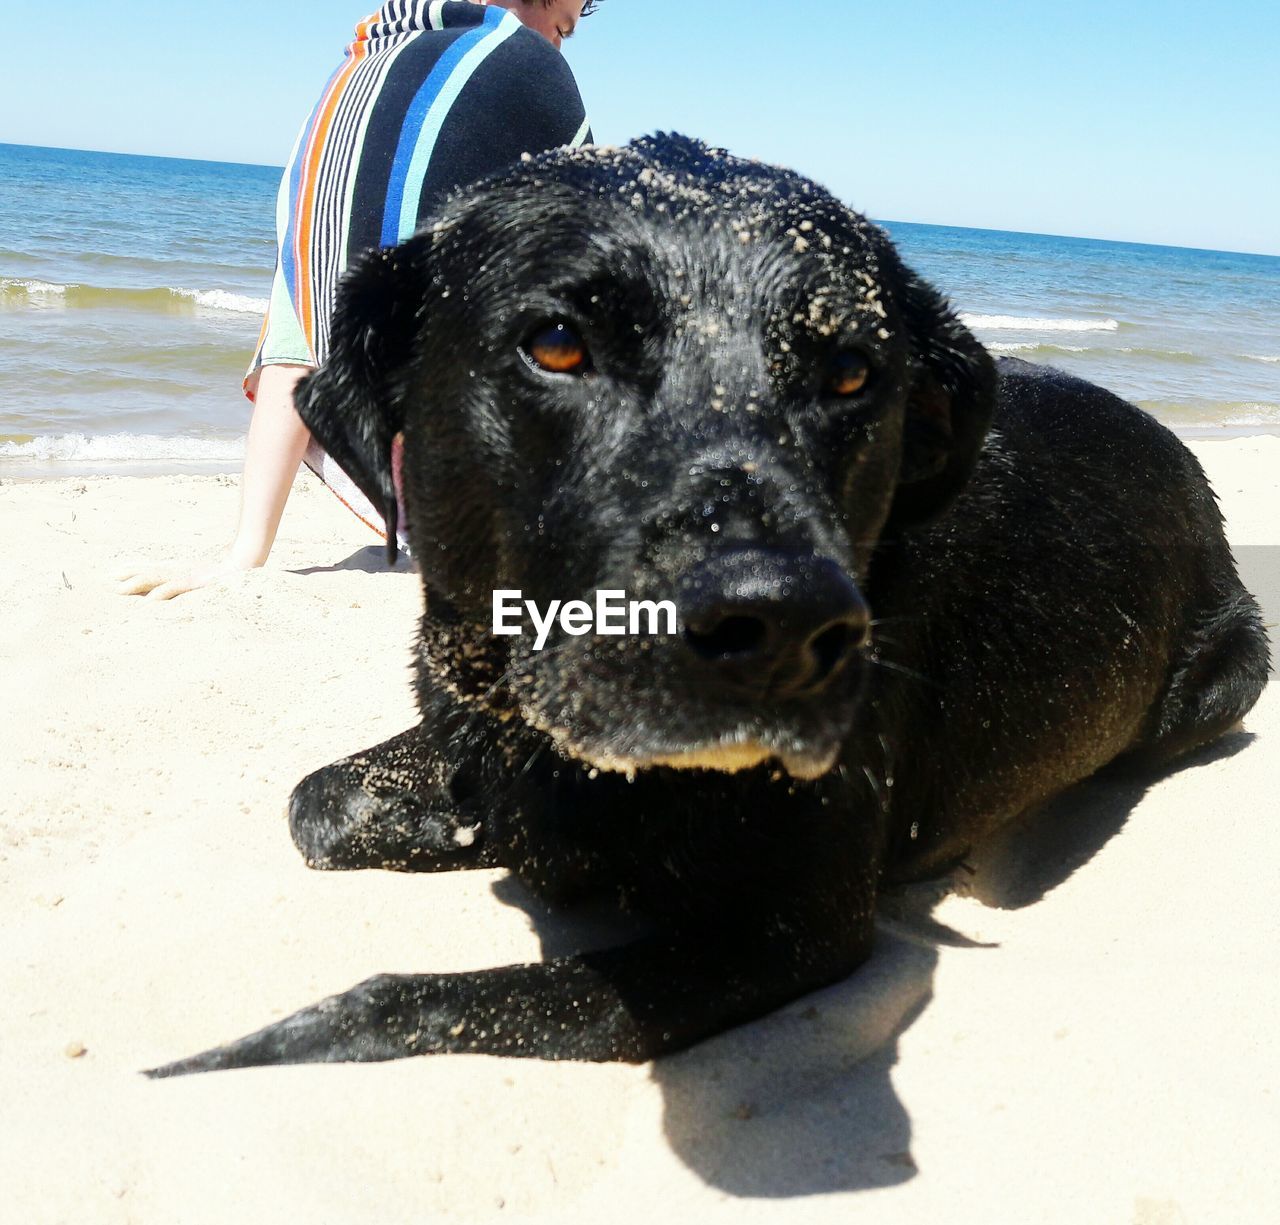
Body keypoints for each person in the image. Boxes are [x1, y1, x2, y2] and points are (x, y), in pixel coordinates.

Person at [120, 0, 597, 599]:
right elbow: (582, 214)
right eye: (563, 28)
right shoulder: (534, 69)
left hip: (363, 325)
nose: (558, 47)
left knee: (311, 301)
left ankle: (248, 547)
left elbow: (304, 320)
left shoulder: (366, 55)